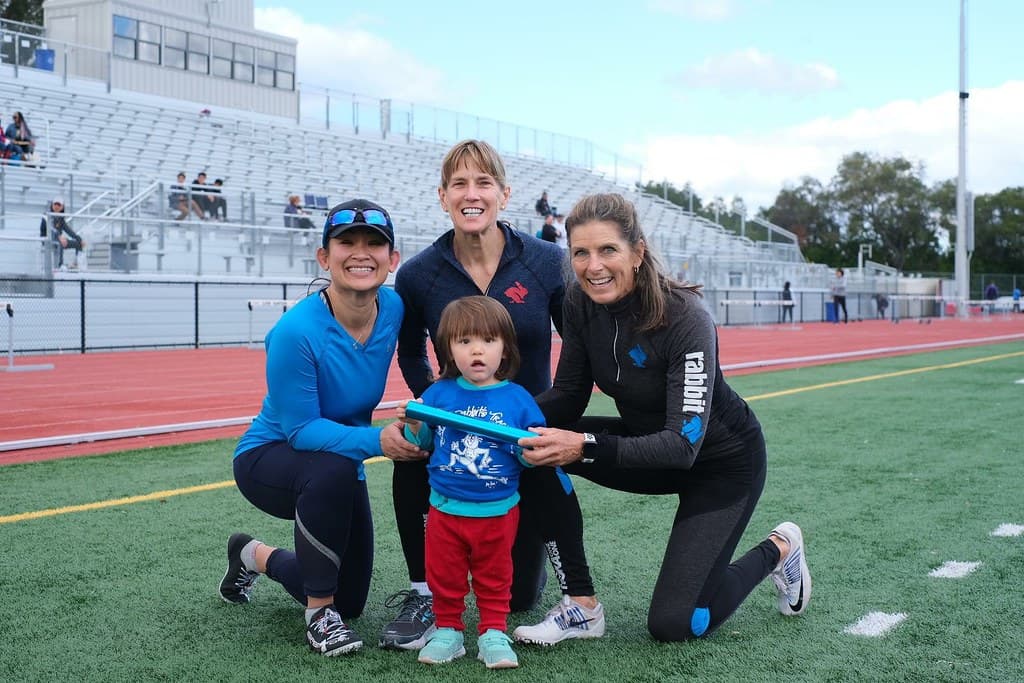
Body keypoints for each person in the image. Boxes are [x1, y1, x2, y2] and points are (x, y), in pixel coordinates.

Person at [516, 193, 812, 644]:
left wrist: (584, 446)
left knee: (676, 624)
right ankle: (581, 605)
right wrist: (498, 415)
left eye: (608, 250)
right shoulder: (578, 303)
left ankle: (779, 550)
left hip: (719, 465)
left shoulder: (684, 317)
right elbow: (569, 396)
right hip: (643, 445)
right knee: (531, 441)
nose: (594, 266)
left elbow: (681, 446)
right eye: (581, 253)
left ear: (636, 252)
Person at [387, 139, 602, 651]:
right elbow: (412, 354)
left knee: (521, 596)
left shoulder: (547, 261)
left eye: (483, 182)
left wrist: (538, 418)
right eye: (459, 183)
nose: (471, 194)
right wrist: (443, 412)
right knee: (409, 454)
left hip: (522, 428)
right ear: (443, 196)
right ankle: (423, 593)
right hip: (455, 431)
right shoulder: (419, 273)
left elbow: (576, 351)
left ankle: (579, 598)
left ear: (504, 194)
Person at [217, 199, 427, 657]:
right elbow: (302, 432)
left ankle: (251, 555)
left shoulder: (393, 308)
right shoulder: (295, 331)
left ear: (392, 261)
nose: (361, 252)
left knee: (350, 599)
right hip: (270, 458)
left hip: (339, 459)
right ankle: (318, 616)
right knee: (330, 472)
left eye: (375, 243)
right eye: (346, 242)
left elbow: (432, 347)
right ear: (323, 257)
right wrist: (379, 440)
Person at [397, 296, 542, 669]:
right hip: (445, 509)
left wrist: (530, 448)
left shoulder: (518, 400)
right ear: (448, 348)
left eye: (488, 341)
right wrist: (415, 424)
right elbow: (424, 444)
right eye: (464, 342)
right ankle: (449, 630)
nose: (477, 351)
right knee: (444, 575)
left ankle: (493, 630)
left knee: (495, 576)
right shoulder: (439, 394)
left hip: (497, 511)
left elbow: (531, 456)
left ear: (504, 348)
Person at [39, 198, 85, 270]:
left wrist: (79, 238)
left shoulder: (61, 218)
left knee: (78, 244)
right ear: (52, 205)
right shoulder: (46, 215)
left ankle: (76, 264)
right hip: (47, 240)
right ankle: (60, 265)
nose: (56, 206)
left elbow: (68, 230)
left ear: (62, 207)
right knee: (59, 242)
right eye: (55, 204)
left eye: (59, 205)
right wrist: (59, 237)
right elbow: (51, 229)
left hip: (59, 239)